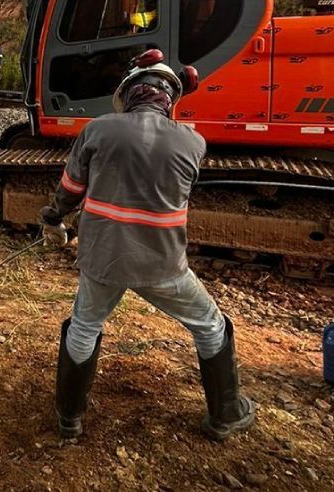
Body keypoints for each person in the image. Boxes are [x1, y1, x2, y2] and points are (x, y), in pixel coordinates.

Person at [40, 48, 255, 442]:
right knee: (210, 326)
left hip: (103, 258)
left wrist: (52, 219)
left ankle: (68, 419)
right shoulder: (193, 142)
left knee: (85, 326)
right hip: (164, 264)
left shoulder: (98, 129)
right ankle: (225, 415)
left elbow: (70, 190)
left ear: (130, 92)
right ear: (168, 99)